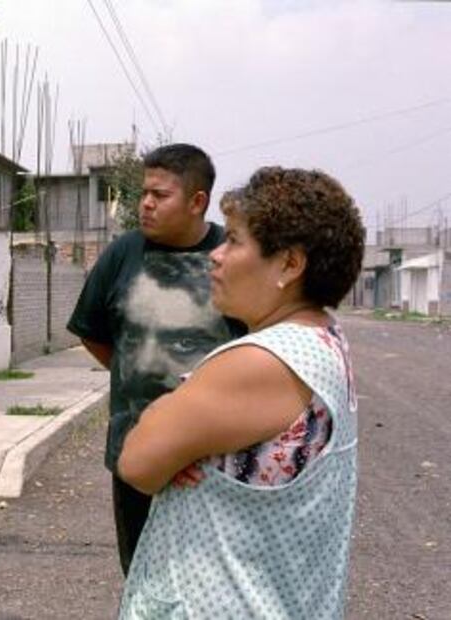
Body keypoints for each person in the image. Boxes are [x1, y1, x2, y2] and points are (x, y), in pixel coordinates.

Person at [116, 166, 365, 619]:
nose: (216, 255)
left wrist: (169, 424)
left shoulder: (260, 362)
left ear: (289, 265)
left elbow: (137, 463)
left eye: (233, 240)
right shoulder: (324, 338)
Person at [67, 143, 242, 575]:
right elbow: (94, 334)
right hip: (135, 453)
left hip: (214, 463)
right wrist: (138, 375)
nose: (145, 203)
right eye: (144, 192)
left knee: (210, 580)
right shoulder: (122, 254)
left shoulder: (232, 257)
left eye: (160, 195)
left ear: (197, 202)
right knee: (140, 574)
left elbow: (254, 356)